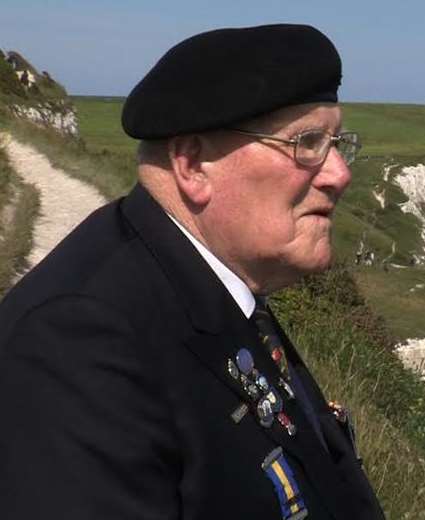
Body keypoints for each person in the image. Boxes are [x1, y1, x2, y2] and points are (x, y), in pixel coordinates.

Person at [0, 25, 384, 519]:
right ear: (193, 165)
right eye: (306, 142)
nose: (339, 173)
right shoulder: (75, 342)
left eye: (336, 142)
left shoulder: (214, 288)